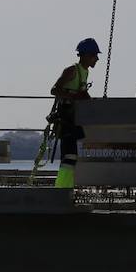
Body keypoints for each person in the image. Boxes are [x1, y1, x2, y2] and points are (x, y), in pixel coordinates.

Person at [49, 38, 99, 189]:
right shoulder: (72, 70)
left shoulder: (85, 73)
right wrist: (75, 96)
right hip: (66, 117)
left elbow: (81, 93)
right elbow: (54, 90)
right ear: (84, 55)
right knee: (69, 156)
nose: (96, 58)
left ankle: (65, 187)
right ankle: (61, 189)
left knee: (72, 157)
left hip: (75, 118)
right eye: (94, 55)